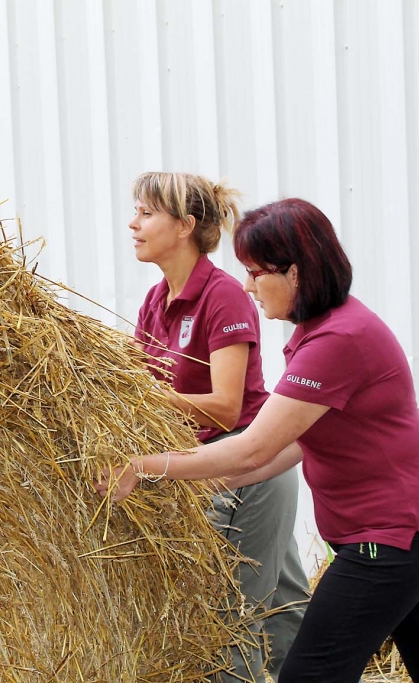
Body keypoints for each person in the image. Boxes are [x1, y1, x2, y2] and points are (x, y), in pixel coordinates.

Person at [97, 197, 419, 683]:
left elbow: (253, 443)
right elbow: (297, 442)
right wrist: (215, 483)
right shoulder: (322, 327)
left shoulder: (336, 341)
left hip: (388, 539)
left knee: (308, 676)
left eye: (258, 272)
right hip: (415, 529)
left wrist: (143, 465)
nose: (248, 286)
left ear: (296, 273)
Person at [127, 173, 309, 682]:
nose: (132, 223)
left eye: (145, 213)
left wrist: (137, 396)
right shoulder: (156, 301)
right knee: (284, 612)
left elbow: (225, 407)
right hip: (208, 465)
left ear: (185, 226)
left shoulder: (222, 295)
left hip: (244, 465)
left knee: (231, 621)